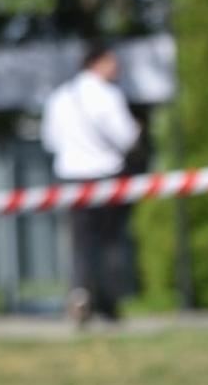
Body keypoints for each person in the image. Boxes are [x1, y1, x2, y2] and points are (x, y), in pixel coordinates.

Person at [41, 40, 141, 325]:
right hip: (105, 174)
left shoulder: (60, 98)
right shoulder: (109, 96)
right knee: (110, 242)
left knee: (80, 243)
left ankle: (80, 295)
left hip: (70, 175)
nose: (116, 67)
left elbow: (51, 141)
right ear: (96, 63)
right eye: (111, 61)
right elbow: (127, 137)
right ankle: (109, 304)